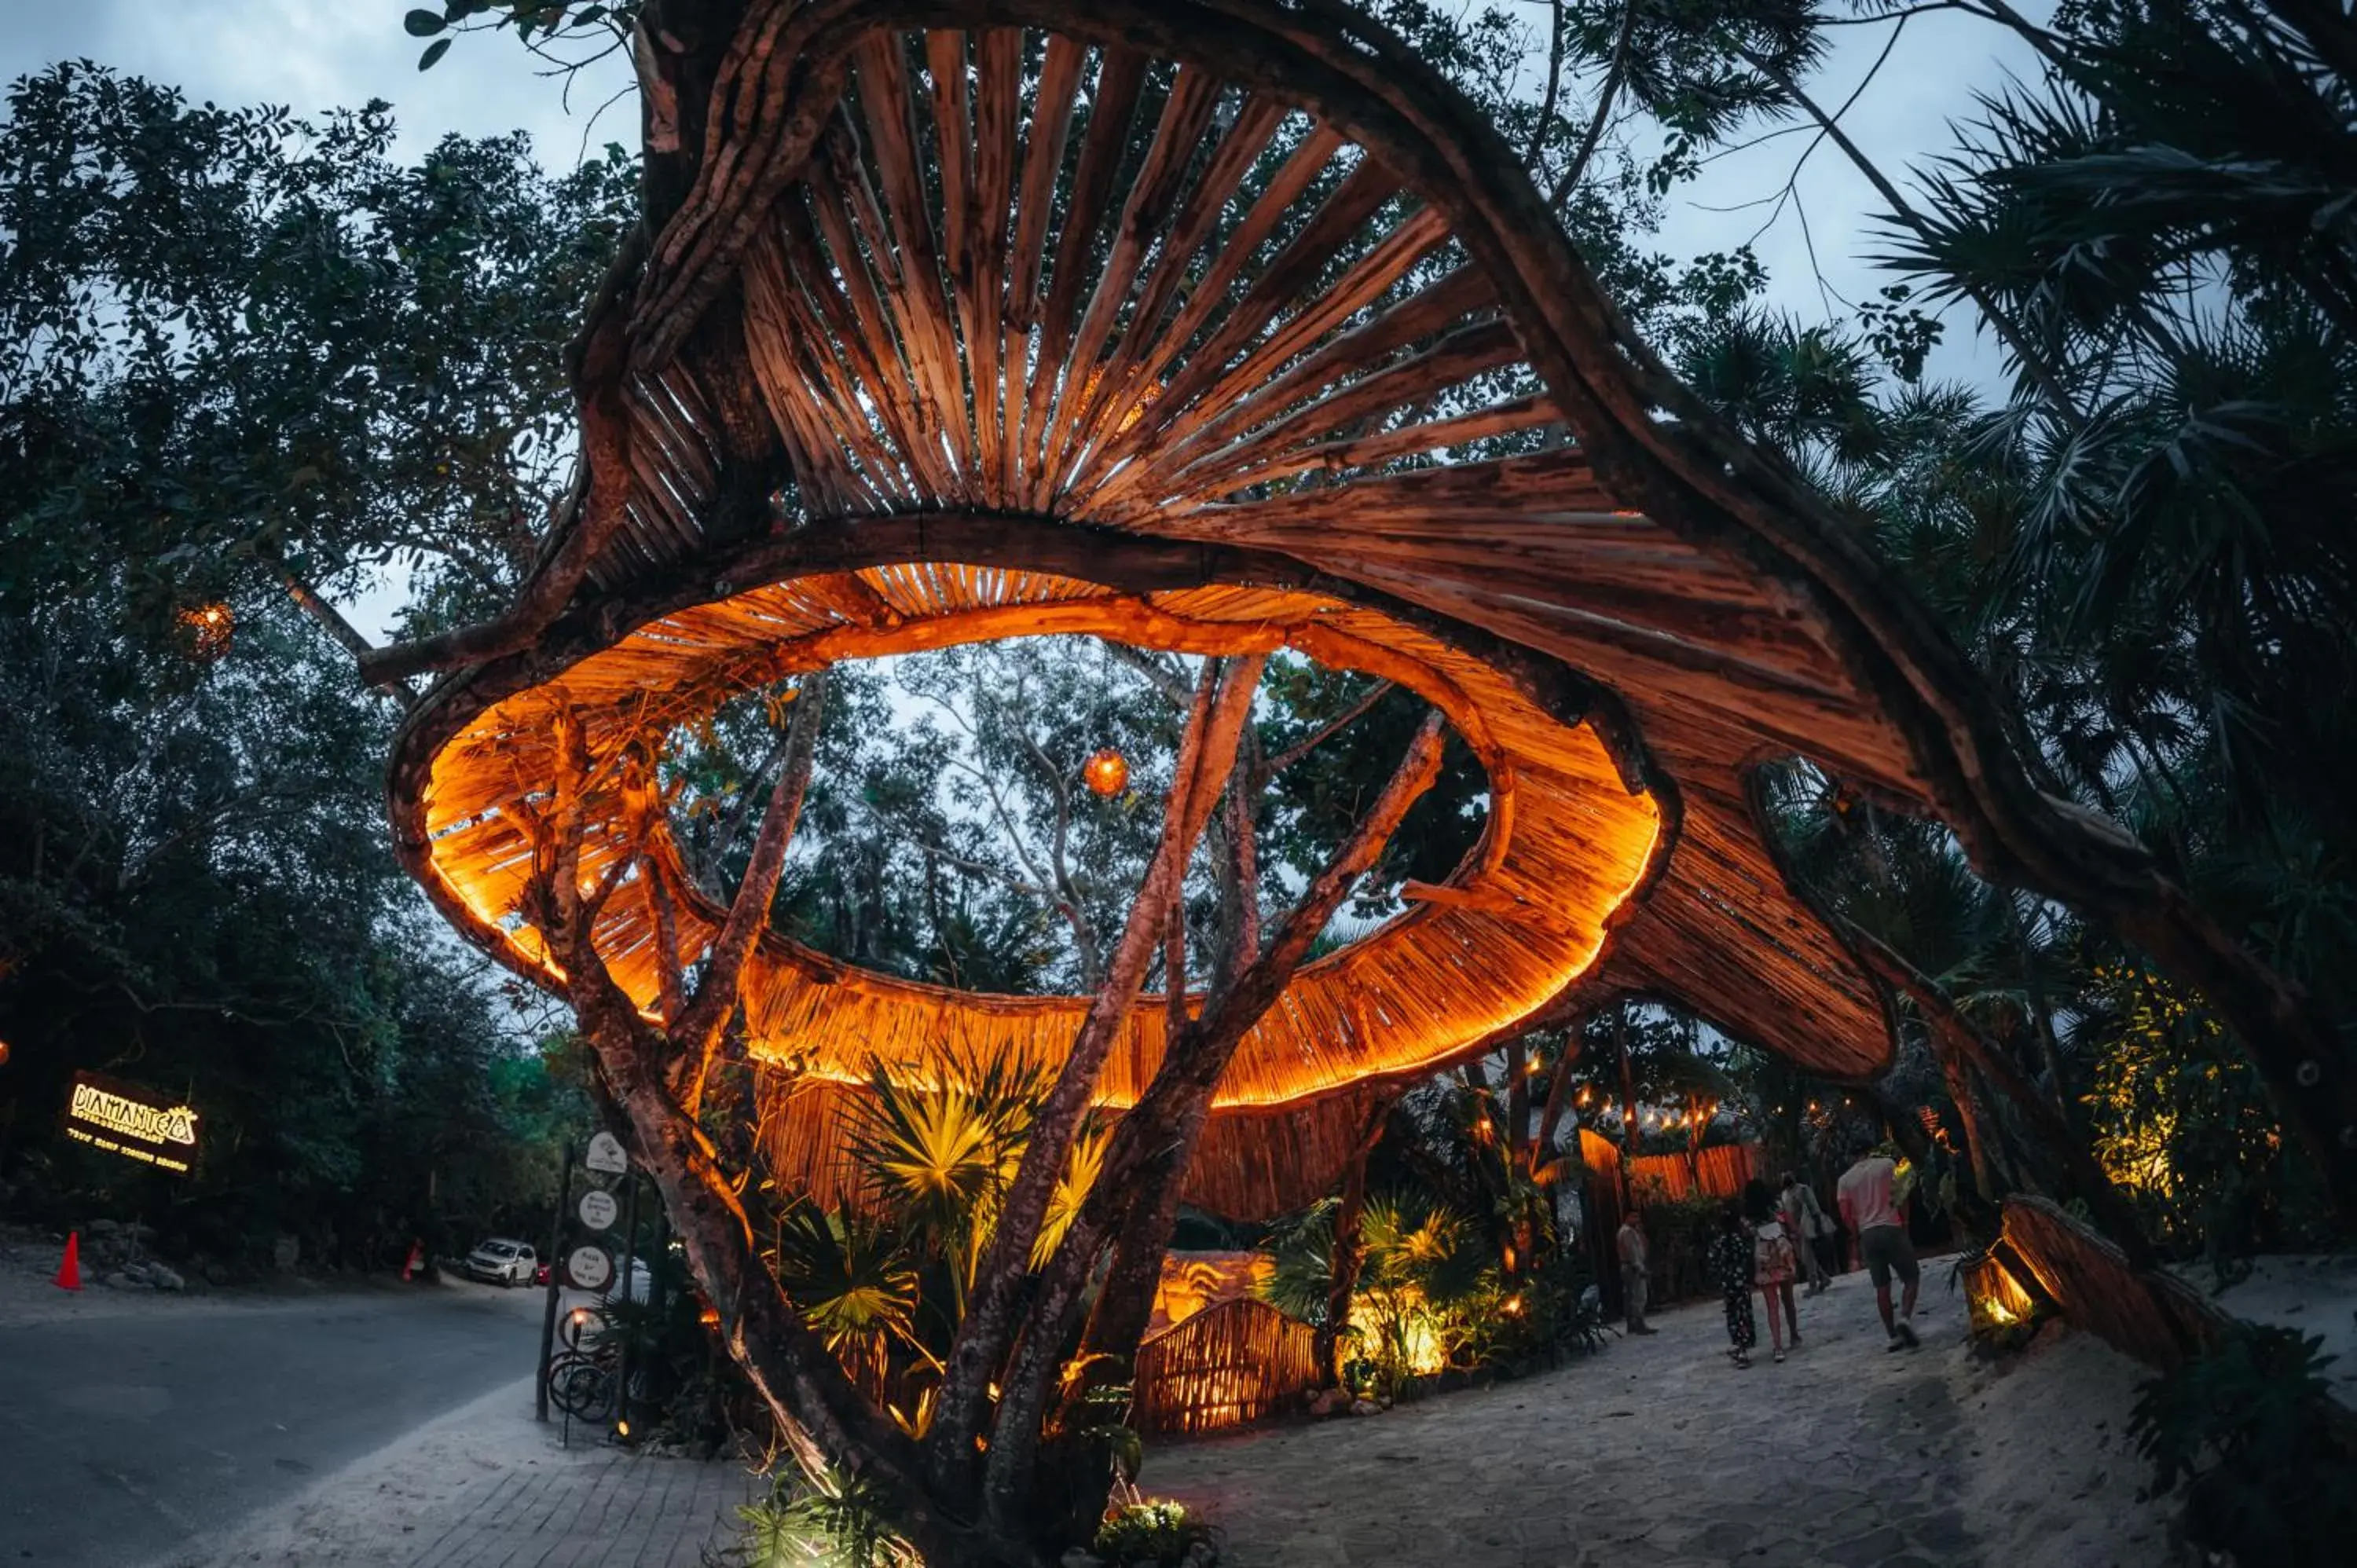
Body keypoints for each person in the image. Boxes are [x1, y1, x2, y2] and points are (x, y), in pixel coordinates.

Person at [1838, 1140, 1921, 1351]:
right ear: (1871, 1150)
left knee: (1882, 1287)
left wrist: (1856, 1237)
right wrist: (1906, 1223)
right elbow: (1901, 1195)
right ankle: (1904, 1317)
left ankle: (1892, 1335)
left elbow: (1846, 1215)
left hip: (1868, 1233)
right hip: (1891, 1225)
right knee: (1911, 1277)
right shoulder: (1887, 1165)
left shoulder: (1845, 1180)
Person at [1744, 1178, 1802, 1361]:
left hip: (1763, 1258)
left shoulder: (1747, 1216)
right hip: (1782, 1251)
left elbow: (1747, 1235)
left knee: (1772, 1305)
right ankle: (1794, 1335)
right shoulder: (1777, 1206)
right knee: (1788, 1299)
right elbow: (1791, 1225)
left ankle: (1778, 1347)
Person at [1707, 1200, 1758, 1367]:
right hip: (1741, 1283)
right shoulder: (1740, 1240)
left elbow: (1713, 1263)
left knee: (1733, 1314)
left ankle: (1738, 1344)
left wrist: (1718, 1280)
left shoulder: (1718, 1244)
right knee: (1744, 1313)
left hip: (1727, 1285)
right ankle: (1744, 1347)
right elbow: (1748, 1258)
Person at [1779, 1170, 1834, 1295]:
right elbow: (1786, 1212)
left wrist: (1817, 1226)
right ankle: (1824, 1278)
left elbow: (1814, 1208)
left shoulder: (1803, 1190)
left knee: (1807, 1256)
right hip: (1795, 1229)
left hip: (1806, 1227)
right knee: (1805, 1258)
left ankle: (1813, 1284)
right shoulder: (1785, 1194)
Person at [1616, 1207, 1658, 1334]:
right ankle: (1639, 1324)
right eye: (1634, 1217)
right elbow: (1633, 1252)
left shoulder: (1627, 1231)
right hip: (1632, 1266)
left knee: (1630, 1295)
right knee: (1639, 1295)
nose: (1637, 1220)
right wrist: (1640, 1267)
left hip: (1628, 1266)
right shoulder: (1628, 1232)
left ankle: (1632, 1324)